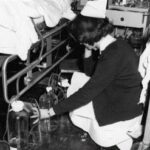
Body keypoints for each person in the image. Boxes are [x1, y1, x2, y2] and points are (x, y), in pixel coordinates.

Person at [32, 0, 143, 149]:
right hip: (122, 96)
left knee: (78, 104)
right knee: (79, 80)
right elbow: (90, 72)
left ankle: (117, 138)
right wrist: (88, 47)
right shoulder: (117, 45)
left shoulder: (112, 56)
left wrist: (50, 112)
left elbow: (87, 92)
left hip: (123, 111)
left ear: (87, 38)